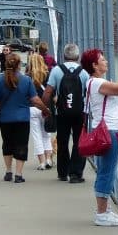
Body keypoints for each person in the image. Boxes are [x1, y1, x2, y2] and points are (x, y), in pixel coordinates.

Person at [82, 48, 118, 227]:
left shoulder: (94, 82)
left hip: (108, 130)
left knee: (107, 170)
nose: (106, 62)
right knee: (107, 171)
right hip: (109, 131)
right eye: (102, 60)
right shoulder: (97, 83)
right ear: (94, 65)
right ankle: (101, 213)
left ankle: (104, 210)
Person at [0, 53, 51, 183]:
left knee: (7, 144)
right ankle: (18, 175)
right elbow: (35, 99)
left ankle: (8, 171)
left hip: (5, 119)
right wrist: (45, 109)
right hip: (22, 119)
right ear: (19, 65)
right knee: (21, 145)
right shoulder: (26, 80)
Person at [44, 43, 90, 183]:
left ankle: (63, 172)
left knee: (63, 141)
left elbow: (48, 92)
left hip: (62, 112)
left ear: (64, 56)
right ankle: (75, 174)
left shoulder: (57, 70)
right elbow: (89, 94)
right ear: (78, 56)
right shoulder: (84, 72)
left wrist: (46, 109)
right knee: (78, 142)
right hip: (79, 112)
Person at [26, 53, 54, 170]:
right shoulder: (48, 75)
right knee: (46, 134)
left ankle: (41, 162)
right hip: (46, 108)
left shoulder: (27, 77)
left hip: (32, 108)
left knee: (37, 136)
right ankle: (48, 159)